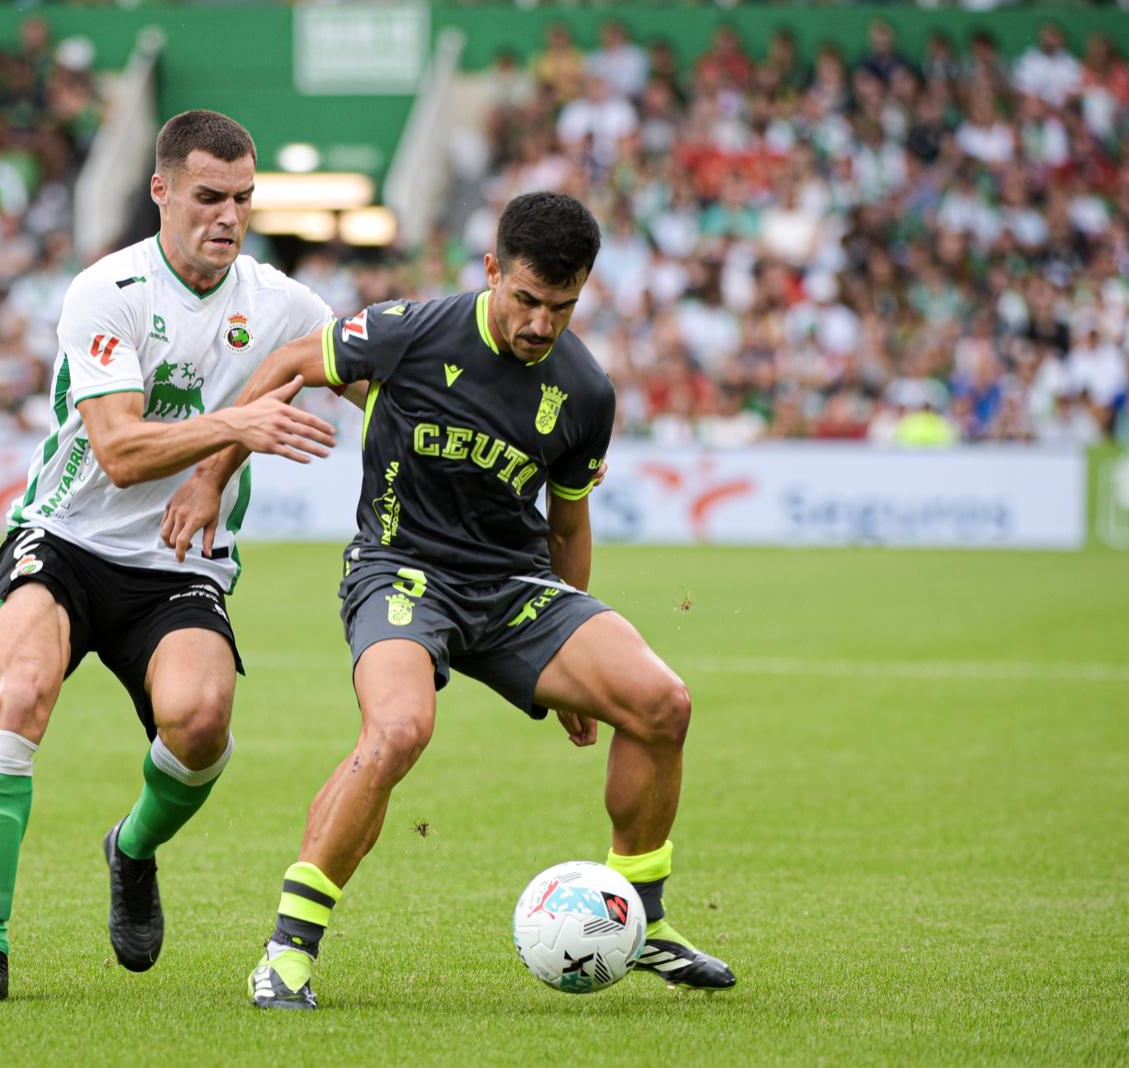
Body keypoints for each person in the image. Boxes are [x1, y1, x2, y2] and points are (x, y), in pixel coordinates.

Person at [163, 192, 737, 1010]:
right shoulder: (411, 330)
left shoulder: (586, 392)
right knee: (398, 731)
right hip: (400, 570)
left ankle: (641, 918)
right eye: (527, 299)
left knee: (661, 702)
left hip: (514, 589)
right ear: (493, 270)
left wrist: (570, 660)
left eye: (563, 307)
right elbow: (289, 363)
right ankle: (288, 952)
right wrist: (209, 476)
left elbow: (568, 523)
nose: (541, 324)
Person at [0, 110, 340, 1002]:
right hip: (66, 538)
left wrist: (219, 468)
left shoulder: (284, 304)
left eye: (243, 199)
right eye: (208, 196)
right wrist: (235, 425)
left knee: (200, 723)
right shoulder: (108, 290)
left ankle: (132, 849)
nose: (228, 216)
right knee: (17, 695)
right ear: (160, 190)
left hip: (180, 562)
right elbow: (120, 452)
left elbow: (362, 372)